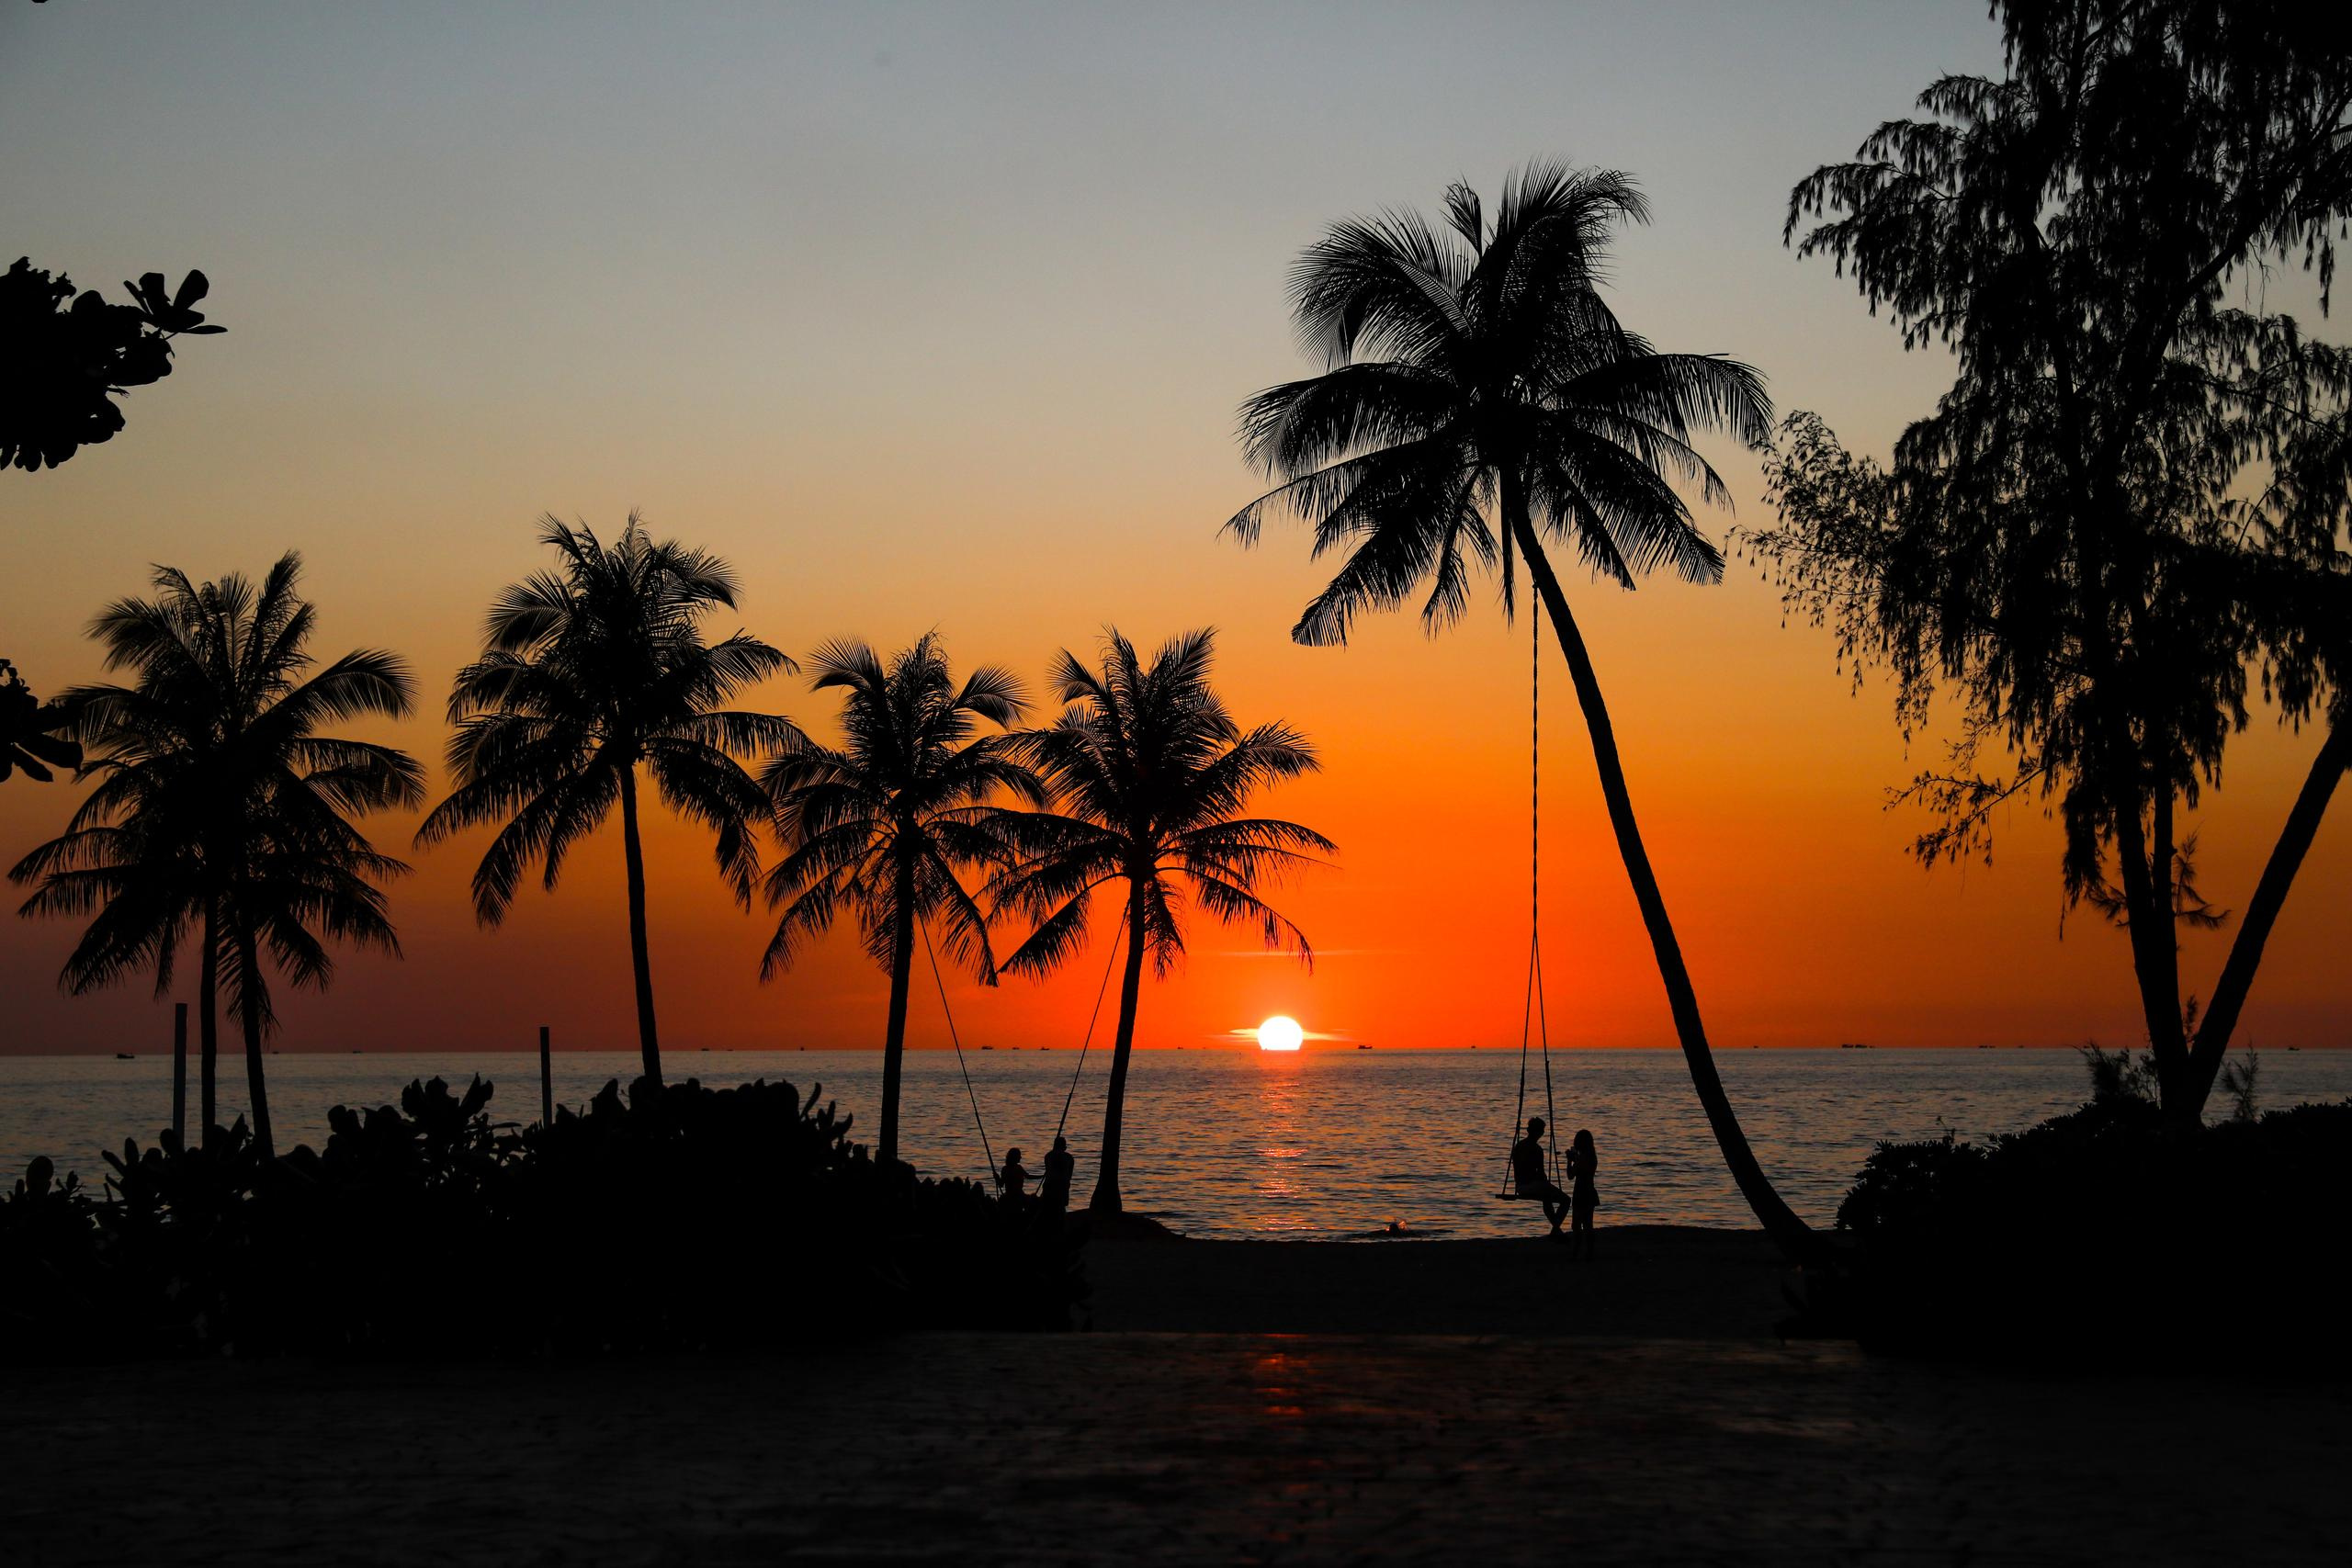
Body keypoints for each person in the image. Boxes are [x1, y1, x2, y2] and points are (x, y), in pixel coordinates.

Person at [1510, 1116, 1569, 1237]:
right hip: (1532, 1186)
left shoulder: (1518, 1146)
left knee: (1546, 1195)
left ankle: (1556, 1232)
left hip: (1520, 1187)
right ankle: (1556, 1230)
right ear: (1540, 1132)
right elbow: (1541, 1174)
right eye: (1542, 1131)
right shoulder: (1537, 1149)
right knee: (1566, 1200)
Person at [1567, 1127, 1600, 1258]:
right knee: (1588, 1224)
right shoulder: (1592, 1157)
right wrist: (1575, 1159)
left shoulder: (1581, 1159)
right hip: (1590, 1192)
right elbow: (1583, 1168)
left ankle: (1576, 1252)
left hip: (1580, 1193)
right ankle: (1589, 1252)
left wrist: (1569, 1161)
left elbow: (1570, 1175)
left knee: (1576, 1225)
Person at [1037, 1134, 1075, 1218]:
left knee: (1048, 1207)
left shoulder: (1048, 1155)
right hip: (1061, 1186)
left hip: (1051, 1185)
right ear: (1064, 1147)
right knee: (1060, 1208)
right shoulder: (1069, 1157)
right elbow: (1069, 1175)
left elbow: (1048, 1171)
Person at [998, 1146, 1030, 1213]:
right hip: (1017, 1196)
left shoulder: (1005, 1169)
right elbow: (1028, 1176)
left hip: (1012, 1195)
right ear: (1015, 1157)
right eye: (1019, 1156)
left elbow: (1001, 1184)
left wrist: (1042, 1176)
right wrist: (997, 1178)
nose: (1020, 1157)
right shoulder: (1017, 1168)